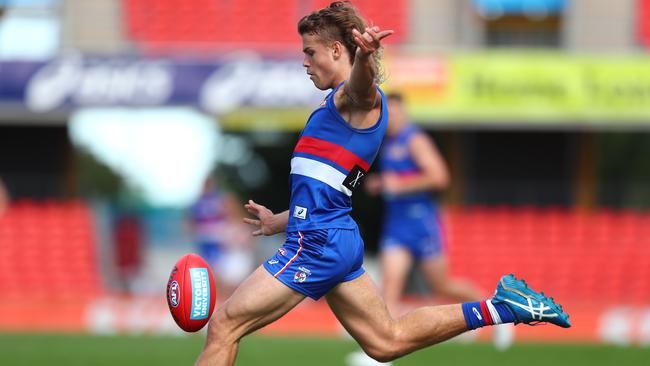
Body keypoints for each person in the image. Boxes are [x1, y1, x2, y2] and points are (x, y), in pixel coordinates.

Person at [195, 2, 570, 365]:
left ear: (338, 49)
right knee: (385, 341)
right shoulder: (334, 108)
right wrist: (279, 220)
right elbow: (329, 191)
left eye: (310, 52)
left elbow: (363, 88)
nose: (304, 61)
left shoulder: (355, 98)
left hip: (317, 243)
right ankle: (503, 306)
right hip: (332, 234)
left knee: (225, 325)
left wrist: (363, 60)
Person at [189, 176, 254, 300]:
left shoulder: (236, 223)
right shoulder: (222, 222)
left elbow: (246, 241)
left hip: (236, 258)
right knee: (220, 282)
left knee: (231, 285)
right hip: (225, 257)